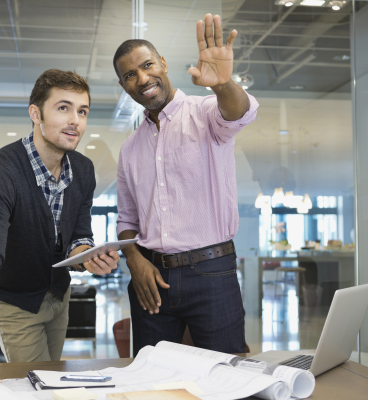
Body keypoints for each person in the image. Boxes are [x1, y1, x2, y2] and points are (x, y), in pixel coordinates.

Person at [0, 69, 119, 382]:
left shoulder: (83, 170)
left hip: (59, 295)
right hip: (15, 302)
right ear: (35, 114)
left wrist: (89, 255)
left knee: (50, 378)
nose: (75, 121)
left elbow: (79, 236)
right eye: (63, 108)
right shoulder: (0, 171)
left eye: (82, 111)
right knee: (39, 384)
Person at [114, 14, 259, 355]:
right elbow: (126, 222)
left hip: (212, 274)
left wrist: (223, 84)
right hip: (151, 280)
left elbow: (240, 112)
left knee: (226, 378)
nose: (143, 78)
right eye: (130, 75)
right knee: (153, 383)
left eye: (148, 65)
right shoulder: (129, 148)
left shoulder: (206, 112)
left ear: (163, 63)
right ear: (124, 87)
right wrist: (134, 260)